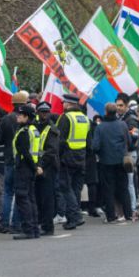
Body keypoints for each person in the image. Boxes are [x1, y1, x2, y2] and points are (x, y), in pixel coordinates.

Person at [92, 103, 131, 224]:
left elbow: (96, 146)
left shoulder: (100, 127)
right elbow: (129, 141)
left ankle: (110, 216)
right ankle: (128, 213)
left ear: (105, 112)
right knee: (123, 188)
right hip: (121, 160)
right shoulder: (123, 124)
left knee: (108, 190)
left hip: (106, 161)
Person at [0, 91, 28, 234]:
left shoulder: (6, 119)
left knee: (8, 192)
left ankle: (4, 223)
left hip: (8, 159)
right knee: (19, 191)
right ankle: (16, 223)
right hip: (21, 160)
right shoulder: (27, 118)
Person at [55, 94, 88, 230]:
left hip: (67, 158)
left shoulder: (66, 117)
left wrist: (58, 157)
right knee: (75, 189)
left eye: (64, 103)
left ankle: (75, 216)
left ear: (68, 104)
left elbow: (60, 140)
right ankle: (74, 217)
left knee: (65, 188)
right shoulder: (84, 118)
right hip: (81, 157)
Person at [12, 104, 39, 240]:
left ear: (26, 117)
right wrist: (36, 167)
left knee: (23, 199)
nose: (17, 116)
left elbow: (25, 153)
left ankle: (28, 229)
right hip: (31, 167)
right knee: (31, 198)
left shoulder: (23, 132)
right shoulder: (34, 130)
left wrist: (34, 167)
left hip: (24, 167)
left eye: (20, 115)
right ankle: (34, 228)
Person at [34, 101, 60, 235]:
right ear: (37, 112)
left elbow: (51, 151)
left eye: (46, 112)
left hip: (48, 167)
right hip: (36, 166)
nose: (44, 114)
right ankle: (40, 223)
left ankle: (48, 227)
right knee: (38, 197)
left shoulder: (52, 128)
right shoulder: (35, 126)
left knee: (47, 198)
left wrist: (41, 165)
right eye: (42, 112)